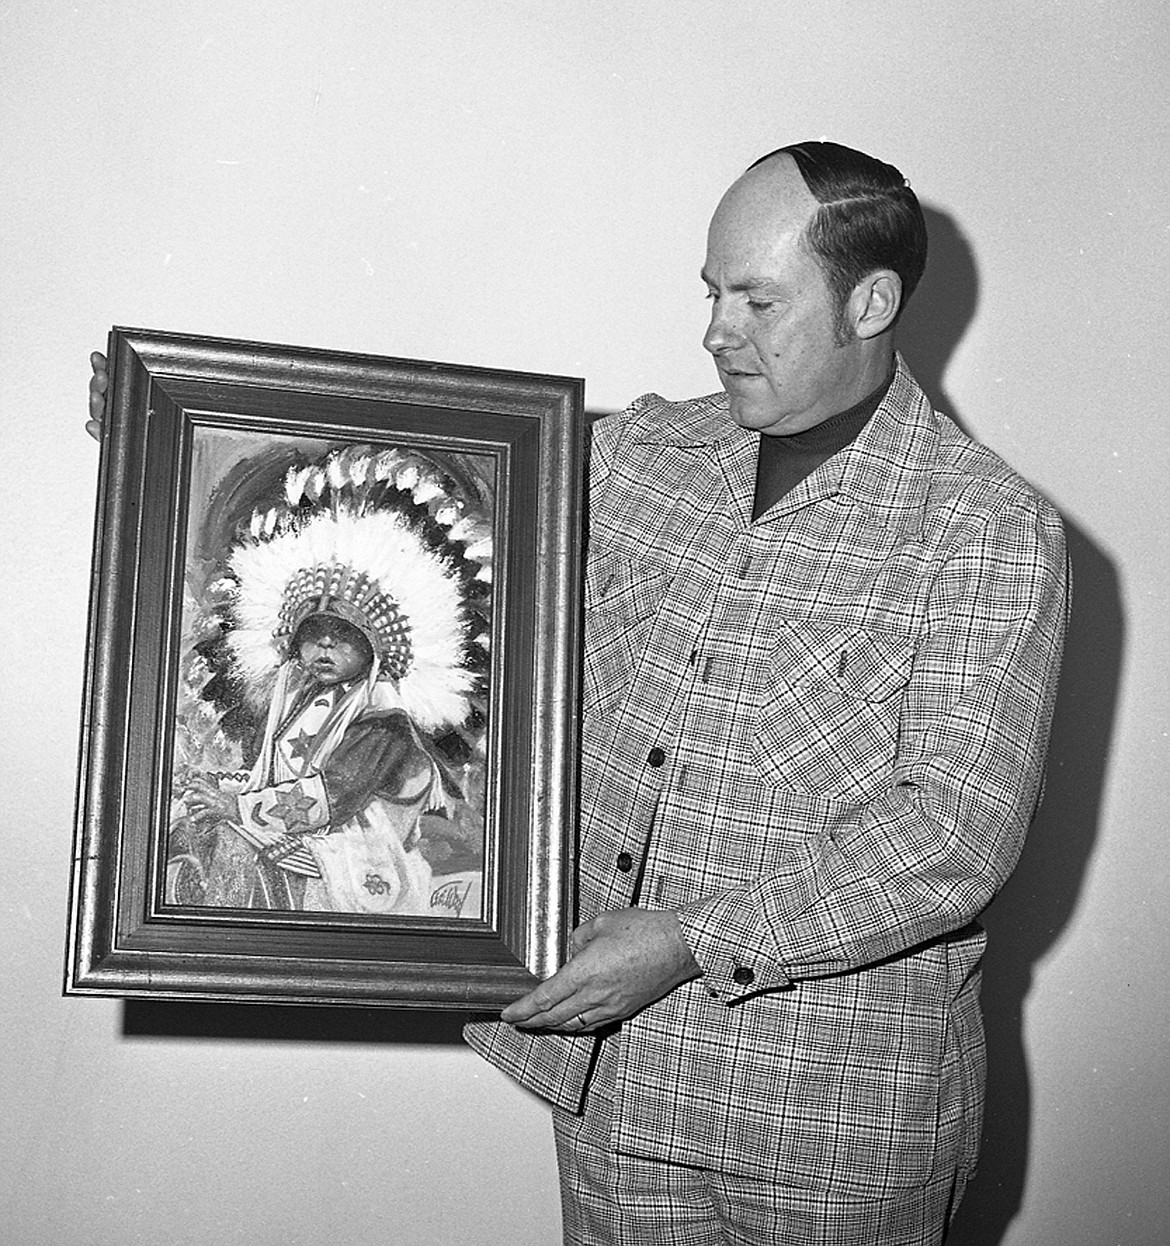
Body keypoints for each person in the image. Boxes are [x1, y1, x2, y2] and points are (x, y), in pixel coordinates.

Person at [89, 140, 1067, 1244]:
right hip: (615, 1090)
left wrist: (694, 938)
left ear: (871, 300)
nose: (714, 330)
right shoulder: (644, 453)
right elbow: (431, 476)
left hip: (829, 1128)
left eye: (756, 298)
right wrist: (183, 422)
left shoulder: (983, 528)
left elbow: (949, 830)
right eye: (710, 291)